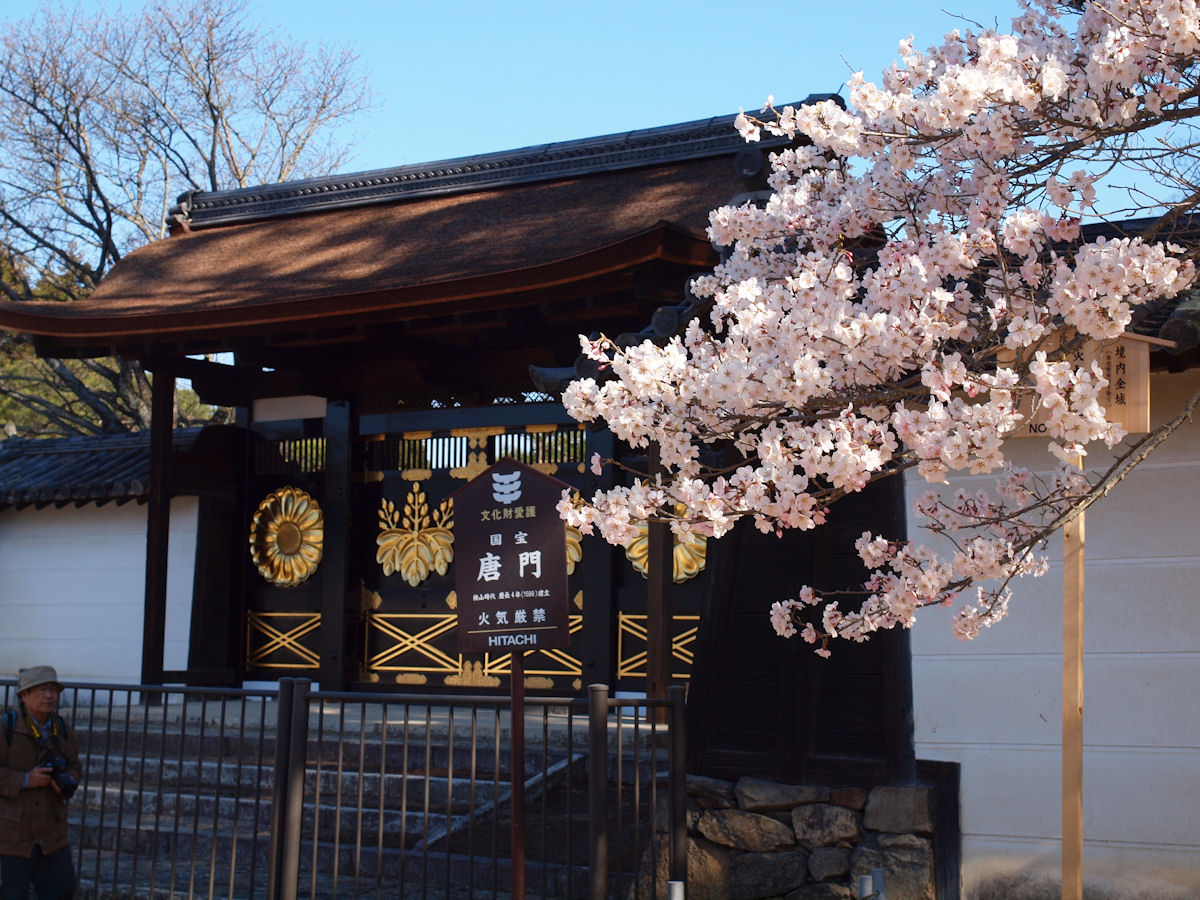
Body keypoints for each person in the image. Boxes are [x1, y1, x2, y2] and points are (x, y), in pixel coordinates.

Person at [0, 666, 80, 900]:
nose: (49, 696)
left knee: (63, 889)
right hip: (12, 835)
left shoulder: (62, 728)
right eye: (42, 690)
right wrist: (25, 780)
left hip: (52, 833)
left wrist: (69, 780)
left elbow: (75, 765)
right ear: (24, 695)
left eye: (53, 690)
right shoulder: (5, 728)